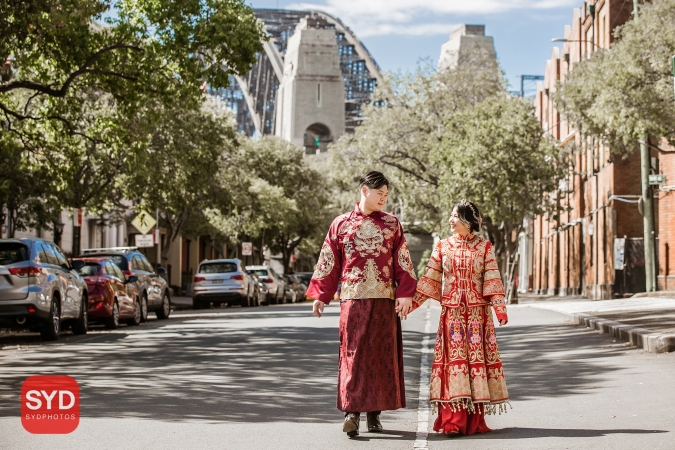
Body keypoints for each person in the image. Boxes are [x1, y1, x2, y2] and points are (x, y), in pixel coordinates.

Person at [306, 171, 417, 437]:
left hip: (384, 301)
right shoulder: (341, 224)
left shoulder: (392, 224)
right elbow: (329, 262)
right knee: (353, 356)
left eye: (387, 195)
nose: (384, 199)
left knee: (380, 356)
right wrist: (321, 294)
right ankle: (352, 412)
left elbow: (403, 262)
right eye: (380, 194)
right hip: (353, 301)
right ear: (365, 190)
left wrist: (405, 293)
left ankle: (374, 415)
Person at [411, 199, 510, 436]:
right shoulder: (443, 246)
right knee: (454, 363)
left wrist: (499, 309)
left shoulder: (485, 247)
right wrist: (409, 305)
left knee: (475, 364)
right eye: (451, 215)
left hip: (478, 316)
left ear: (468, 220)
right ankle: (452, 420)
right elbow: (430, 279)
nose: (451, 220)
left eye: (455, 216)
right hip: (452, 314)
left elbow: (493, 279)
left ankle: (474, 420)